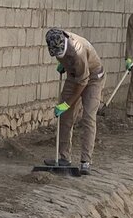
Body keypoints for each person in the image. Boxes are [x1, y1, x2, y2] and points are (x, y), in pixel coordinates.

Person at [45, 28, 105, 176]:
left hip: (93, 78)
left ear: (64, 44)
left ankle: (85, 161)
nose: (58, 55)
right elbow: (72, 69)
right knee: (65, 116)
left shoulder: (78, 51)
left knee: (88, 117)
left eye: (61, 53)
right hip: (74, 75)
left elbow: (83, 82)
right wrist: (65, 64)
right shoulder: (55, 40)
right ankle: (64, 158)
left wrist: (67, 103)